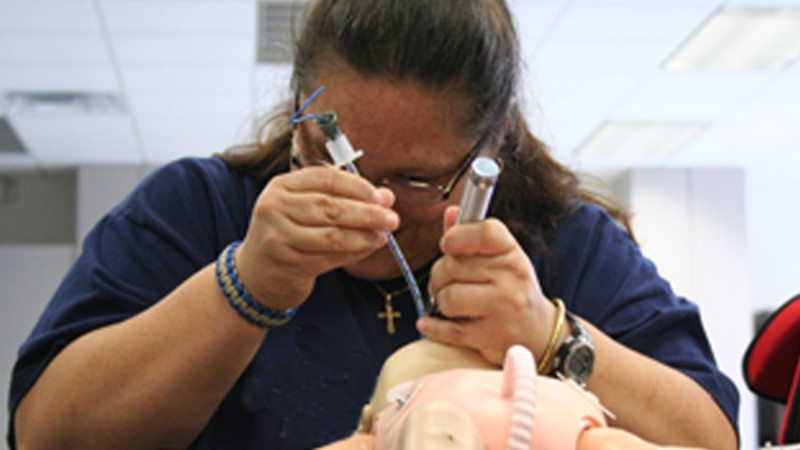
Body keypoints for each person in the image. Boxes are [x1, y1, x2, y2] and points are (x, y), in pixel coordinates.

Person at [7, 1, 738, 449]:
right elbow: (47, 436)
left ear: (495, 145)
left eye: (416, 181)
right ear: (301, 109)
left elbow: (711, 439)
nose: (373, 207)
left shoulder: (565, 244)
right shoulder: (197, 208)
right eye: (337, 155)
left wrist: (552, 336)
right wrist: (244, 285)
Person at [320, 340, 706, 450]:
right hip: (555, 417)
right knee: (607, 443)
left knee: (435, 426)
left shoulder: (382, 425)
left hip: (433, 419)